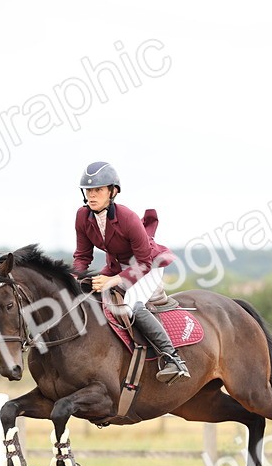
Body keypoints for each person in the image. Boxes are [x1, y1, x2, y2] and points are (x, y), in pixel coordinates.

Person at [72, 161, 189, 383]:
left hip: (148, 266)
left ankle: (173, 359)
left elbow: (143, 262)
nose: (92, 195)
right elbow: (82, 256)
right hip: (117, 268)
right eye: (88, 190)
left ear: (112, 191)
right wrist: (73, 279)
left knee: (132, 306)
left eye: (98, 190)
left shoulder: (127, 217)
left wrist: (112, 280)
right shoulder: (82, 216)